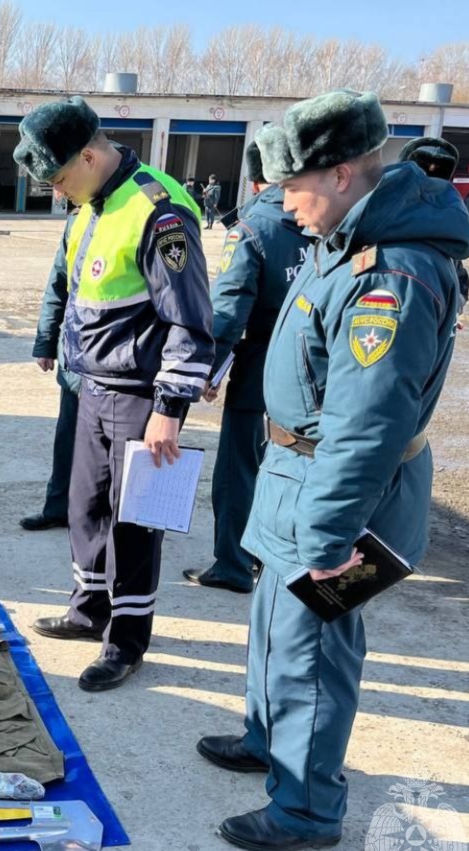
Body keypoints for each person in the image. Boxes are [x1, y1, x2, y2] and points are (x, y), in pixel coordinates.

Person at [197, 90, 469, 851]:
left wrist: (328, 536)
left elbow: (369, 423)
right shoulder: (343, 243)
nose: (282, 204)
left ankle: (307, 807)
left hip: (337, 495)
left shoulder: (392, 274)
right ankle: (268, 739)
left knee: (312, 653)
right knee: (271, 629)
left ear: (345, 174)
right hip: (295, 475)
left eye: (294, 186)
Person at [16, 97, 213, 692]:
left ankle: (126, 641)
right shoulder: (89, 205)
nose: (55, 192)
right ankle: (89, 609)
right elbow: (75, 290)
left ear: (90, 154)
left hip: (139, 397)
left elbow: (190, 320)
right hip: (91, 387)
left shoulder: (160, 210)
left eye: (58, 179)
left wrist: (170, 410)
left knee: (135, 522)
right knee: (86, 507)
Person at [184, 142, 310, 593]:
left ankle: (235, 564)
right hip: (322, 376)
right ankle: (282, 560)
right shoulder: (333, 220)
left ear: (255, 181)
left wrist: (206, 371)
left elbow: (228, 314)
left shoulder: (253, 228)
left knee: (240, 468)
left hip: (262, 368)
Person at [22, 188, 83, 532]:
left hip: (119, 367)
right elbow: (58, 283)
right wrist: (46, 342)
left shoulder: (132, 216)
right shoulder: (76, 223)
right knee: (67, 439)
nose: (58, 192)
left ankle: (103, 519)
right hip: (76, 357)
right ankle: (58, 507)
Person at [399, 137, 469, 312]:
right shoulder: (454, 217)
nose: (430, 173)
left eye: (439, 169)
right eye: (423, 166)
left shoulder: (453, 220)